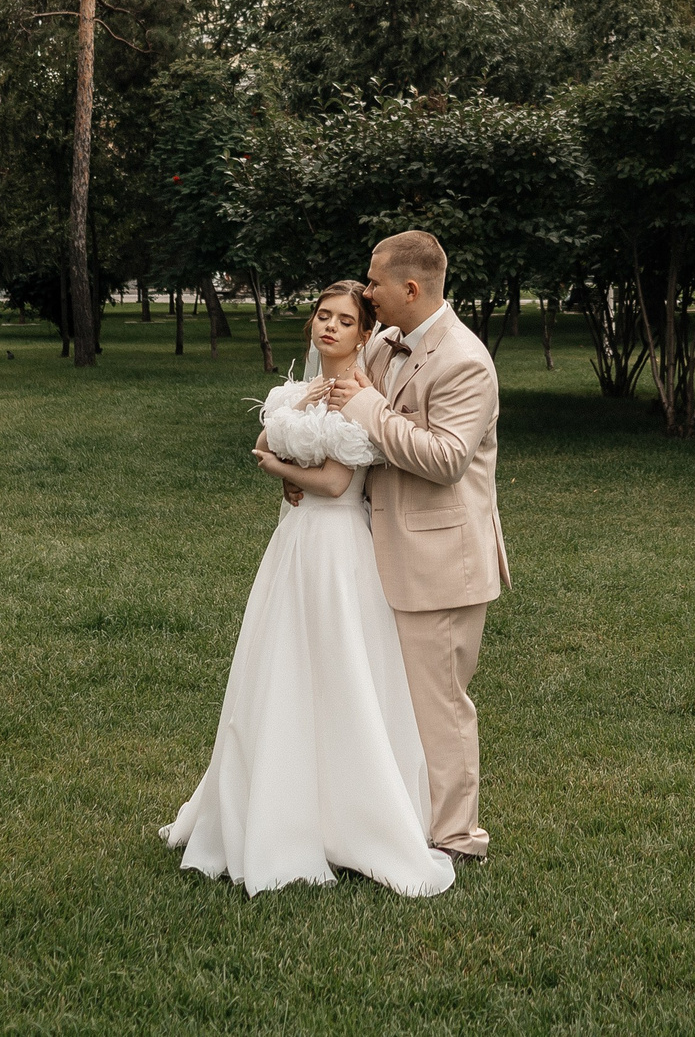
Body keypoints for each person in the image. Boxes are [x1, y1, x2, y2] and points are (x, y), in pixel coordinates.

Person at [160, 280, 455, 897]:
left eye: (345, 321)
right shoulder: (293, 390)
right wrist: (289, 426)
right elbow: (267, 434)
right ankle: (273, 799)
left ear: (365, 333)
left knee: (341, 669)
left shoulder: (364, 399)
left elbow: (332, 481)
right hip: (292, 545)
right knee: (280, 667)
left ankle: (353, 814)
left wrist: (279, 470)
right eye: (323, 317)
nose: (330, 329)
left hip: (341, 548)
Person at [303, 229, 507, 863]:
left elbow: (445, 460)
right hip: (374, 549)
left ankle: (456, 837)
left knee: (438, 703)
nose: (367, 292)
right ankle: (395, 814)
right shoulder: (387, 343)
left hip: (439, 560)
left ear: (411, 289)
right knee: (389, 694)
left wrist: (367, 409)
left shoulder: (465, 362)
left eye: (375, 282)